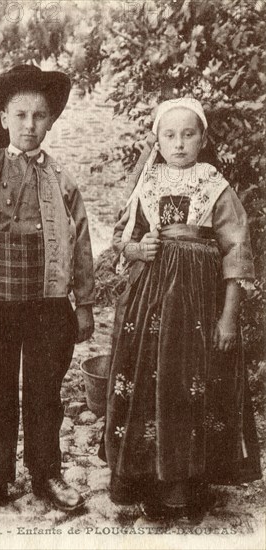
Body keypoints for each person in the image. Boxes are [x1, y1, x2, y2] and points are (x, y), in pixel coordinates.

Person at [0, 64, 95, 520]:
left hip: (48, 305)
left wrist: (83, 305)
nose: (30, 126)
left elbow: (81, 242)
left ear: (50, 121)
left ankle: (46, 474)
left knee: (46, 392)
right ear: (4, 118)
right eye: (21, 115)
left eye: (39, 116)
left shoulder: (61, 180)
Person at [102, 98, 261, 520]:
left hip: (198, 303)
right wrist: (139, 248)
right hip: (149, 304)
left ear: (203, 138)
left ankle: (187, 485)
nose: (179, 143)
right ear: (156, 140)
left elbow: (236, 252)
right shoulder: (146, 184)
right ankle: (146, 480)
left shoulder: (214, 186)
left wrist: (228, 316)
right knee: (148, 384)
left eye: (188, 134)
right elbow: (122, 239)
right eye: (169, 135)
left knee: (191, 386)